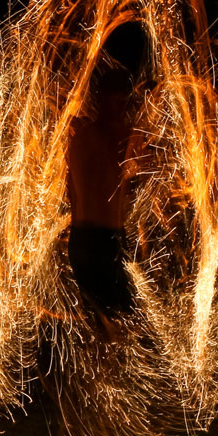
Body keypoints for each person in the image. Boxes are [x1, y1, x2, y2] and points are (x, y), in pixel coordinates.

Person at [67, 68, 135, 318]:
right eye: (118, 102)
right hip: (99, 241)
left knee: (107, 323)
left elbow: (70, 190)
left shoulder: (82, 137)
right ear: (102, 100)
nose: (122, 110)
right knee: (115, 323)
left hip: (89, 240)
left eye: (124, 103)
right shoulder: (111, 138)